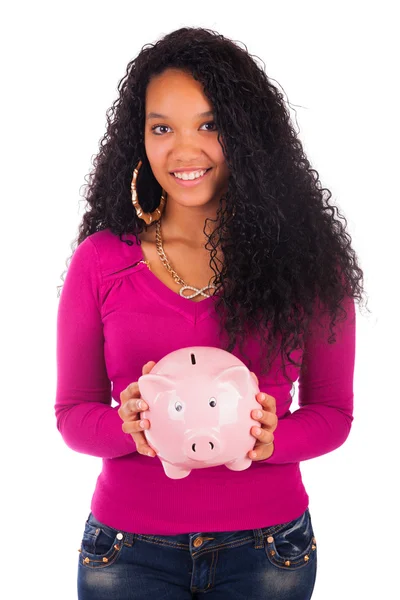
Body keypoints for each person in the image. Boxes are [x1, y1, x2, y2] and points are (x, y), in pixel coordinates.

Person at [55, 26, 365, 600]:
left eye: (210, 124)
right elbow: (72, 413)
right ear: (139, 140)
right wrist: (124, 426)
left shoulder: (307, 262)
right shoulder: (101, 262)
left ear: (247, 135)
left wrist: (273, 440)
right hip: (127, 551)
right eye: (162, 128)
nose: (184, 149)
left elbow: (333, 412)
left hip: (268, 550)